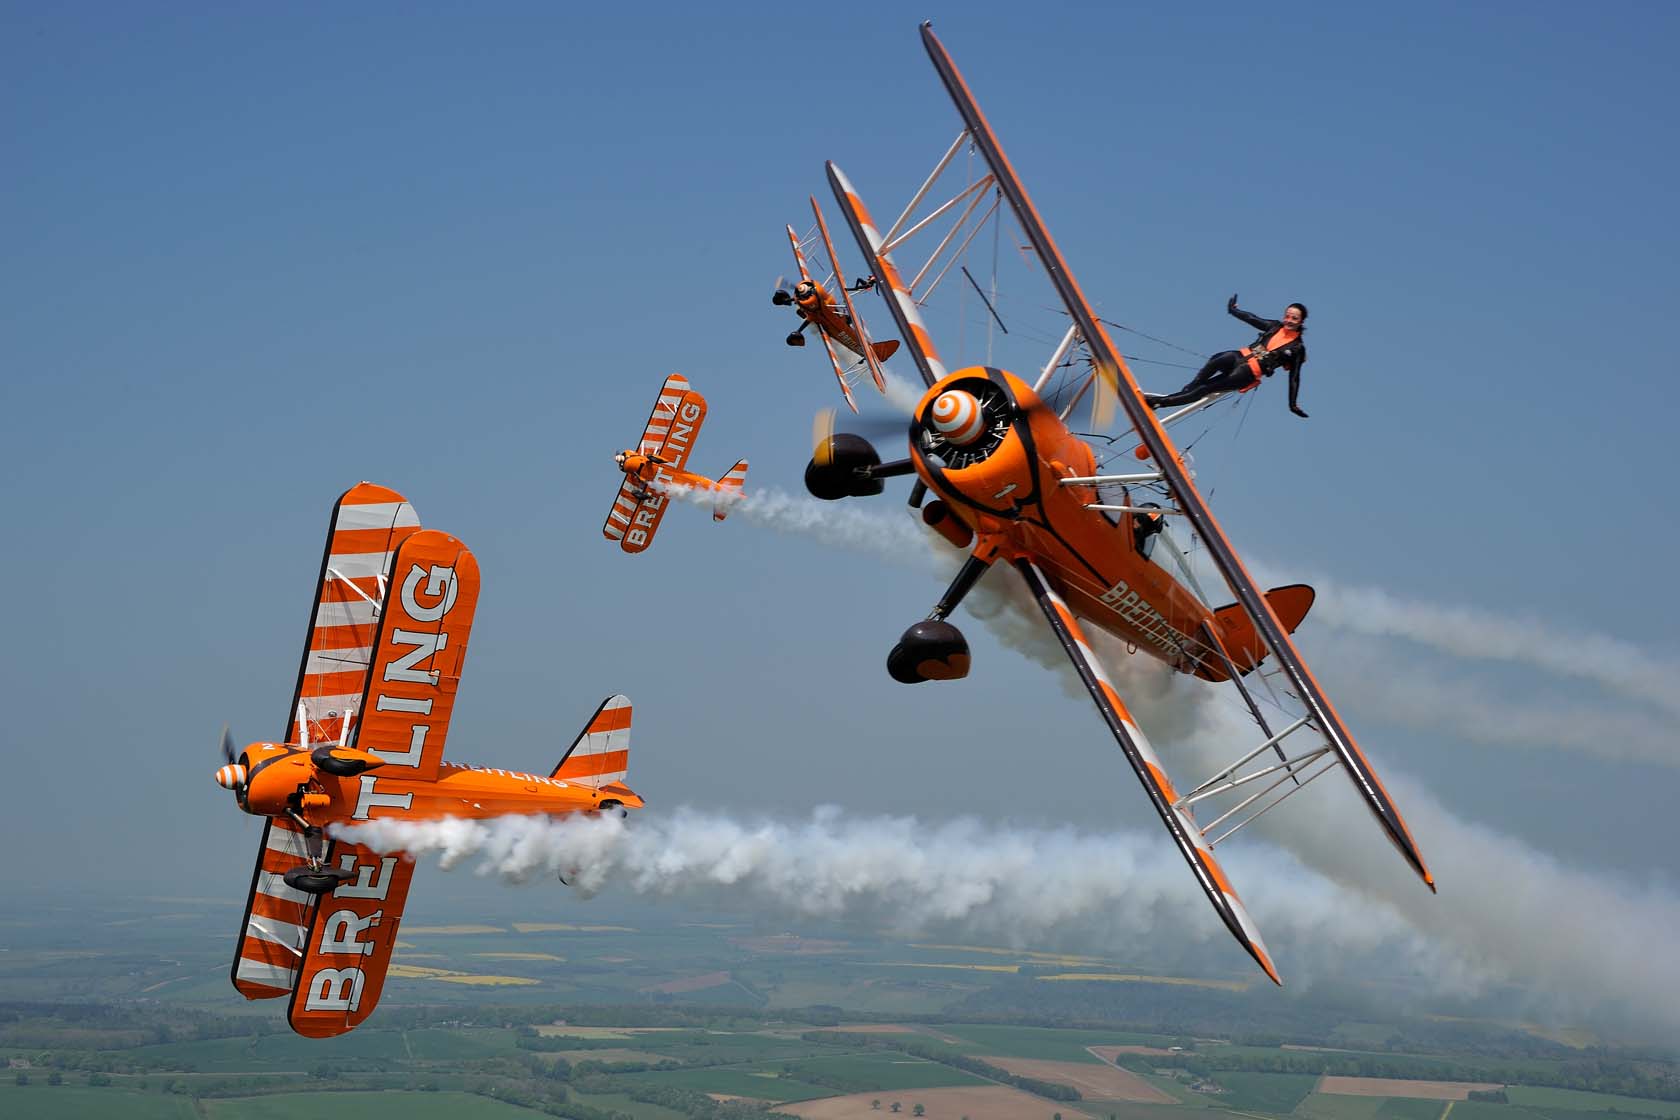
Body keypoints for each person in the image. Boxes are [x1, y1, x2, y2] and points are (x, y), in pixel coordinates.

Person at [1145, 295, 1310, 417]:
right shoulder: (1275, 326)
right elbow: (1252, 319)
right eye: (1287, 316)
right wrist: (1233, 310)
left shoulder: (1297, 348)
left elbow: (1294, 378)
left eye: (1294, 318)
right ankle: (1185, 392)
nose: (1288, 320)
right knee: (1216, 359)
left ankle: (1159, 402)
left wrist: (1292, 404)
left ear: (1301, 321)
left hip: (1247, 373)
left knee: (1205, 389)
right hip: (1240, 356)